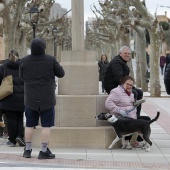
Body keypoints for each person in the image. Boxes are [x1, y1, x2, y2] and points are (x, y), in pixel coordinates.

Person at [20, 37, 65, 159]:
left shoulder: (24, 61)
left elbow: (22, 76)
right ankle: (43, 150)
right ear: (44, 48)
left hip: (30, 97)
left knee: (29, 124)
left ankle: (27, 150)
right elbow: (61, 73)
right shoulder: (51, 60)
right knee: (46, 125)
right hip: (47, 97)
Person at [105, 76, 151, 148]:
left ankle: (144, 140)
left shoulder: (131, 93)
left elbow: (128, 103)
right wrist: (119, 110)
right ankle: (127, 142)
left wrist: (135, 104)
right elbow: (108, 103)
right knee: (132, 122)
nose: (129, 86)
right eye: (127, 84)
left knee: (147, 119)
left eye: (131, 85)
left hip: (130, 115)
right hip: (120, 117)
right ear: (123, 83)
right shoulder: (116, 92)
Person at [104, 46, 143, 117]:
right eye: (125, 53)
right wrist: (129, 87)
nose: (127, 55)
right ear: (120, 53)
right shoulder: (117, 62)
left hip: (120, 85)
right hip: (113, 86)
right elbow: (119, 79)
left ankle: (136, 115)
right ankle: (132, 116)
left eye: (129, 53)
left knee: (139, 92)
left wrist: (130, 86)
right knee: (134, 93)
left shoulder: (121, 61)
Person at [0, 50, 25, 147]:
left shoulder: (3, 67)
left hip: (8, 97)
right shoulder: (23, 66)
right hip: (22, 97)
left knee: (10, 119)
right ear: (18, 56)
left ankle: (12, 140)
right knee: (20, 117)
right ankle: (20, 136)